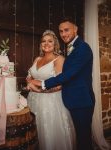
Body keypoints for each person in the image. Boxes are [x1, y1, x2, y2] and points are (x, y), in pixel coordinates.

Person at [28, 18, 96, 150]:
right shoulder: (71, 48)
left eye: (67, 30)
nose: (64, 34)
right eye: (61, 31)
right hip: (71, 100)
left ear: (75, 29)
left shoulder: (83, 48)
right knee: (80, 139)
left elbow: (67, 75)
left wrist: (42, 84)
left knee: (84, 139)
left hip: (81, 101)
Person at [26, 30, 76, 150]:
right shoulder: (37, 59)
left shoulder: (59, 60)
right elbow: (30, 77)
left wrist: (40, 91)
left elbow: (60, 84)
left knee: (49, 133)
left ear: (55, 44)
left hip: (51, 102)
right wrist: (29, 82)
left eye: (50, 41)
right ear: (40, 44)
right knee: (34, 132)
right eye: (43, 41)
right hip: (33, 100)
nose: (46, 43)